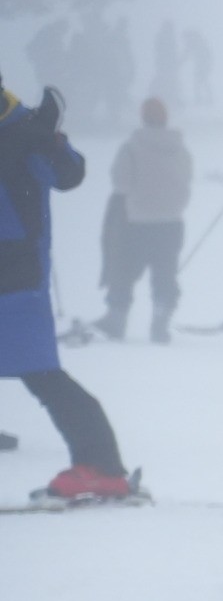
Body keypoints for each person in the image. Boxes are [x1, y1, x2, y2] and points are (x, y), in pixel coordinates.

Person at [1, 75, 136, 504]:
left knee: (41, 372)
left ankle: (102, 468)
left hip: (15, 276)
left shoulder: (24, 129)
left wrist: (53, 140)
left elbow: (69, 174)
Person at [99, 96, 191, 343]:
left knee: (125, 272)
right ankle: (161, 322)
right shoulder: (180, 148)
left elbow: (121, 184)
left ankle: (116, 319)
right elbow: (186, 180)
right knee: (165, 273)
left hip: (136, 222)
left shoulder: (131, 147)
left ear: (143, 117)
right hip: (172, 223)